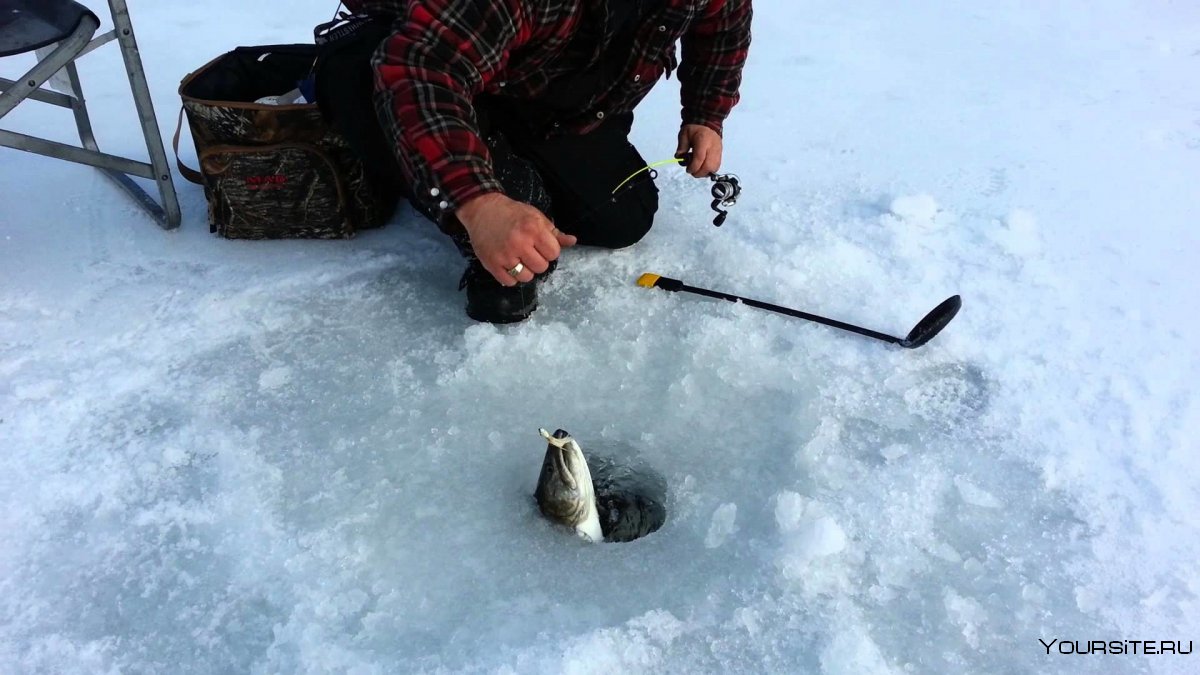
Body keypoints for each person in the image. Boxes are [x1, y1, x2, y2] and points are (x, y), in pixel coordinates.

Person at [319, 0, 752, 323]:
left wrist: (705, 114)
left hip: (545, 91)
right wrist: (479, 202)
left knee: (622, 216)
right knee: (376, 83)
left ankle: (499, 153)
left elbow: (725, 21)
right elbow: (420, 68)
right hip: (425, 53)